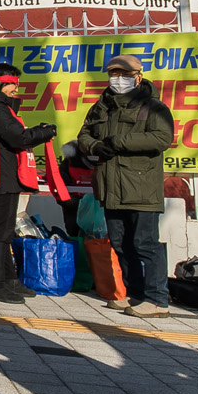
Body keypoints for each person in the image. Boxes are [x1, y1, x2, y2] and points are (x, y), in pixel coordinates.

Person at [75, 54, 176, 317]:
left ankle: (157, 299)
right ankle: (135, 294)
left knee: (145, 243)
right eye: (114, 74)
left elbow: (162, 137)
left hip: (141, 187)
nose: (118, 80)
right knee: (120, 244)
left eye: (125, 75)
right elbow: (84, 134)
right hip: (110, 187)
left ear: (138, 77)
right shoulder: (102, 106)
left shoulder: (154, 107)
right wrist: (95, 145)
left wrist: (119, 141)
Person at [0, 63, 56, 304]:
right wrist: (44, 132)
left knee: (6, 231)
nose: (16, 89)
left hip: (5, 175)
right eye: (12, 84)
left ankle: (9, 280)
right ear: (0, 84)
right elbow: (17, 138)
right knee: (2, 232)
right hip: (1, 176)